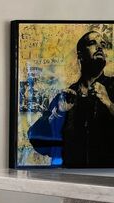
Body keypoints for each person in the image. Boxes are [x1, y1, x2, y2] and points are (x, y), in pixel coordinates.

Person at [28, 30, 114, 167]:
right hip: (71, 175)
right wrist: (58, 113)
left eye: (103, 45)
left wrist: (109, 104)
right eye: (93, 43)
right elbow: (35, 139)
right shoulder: (66, 96)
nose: (99, 47)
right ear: (80, 55)